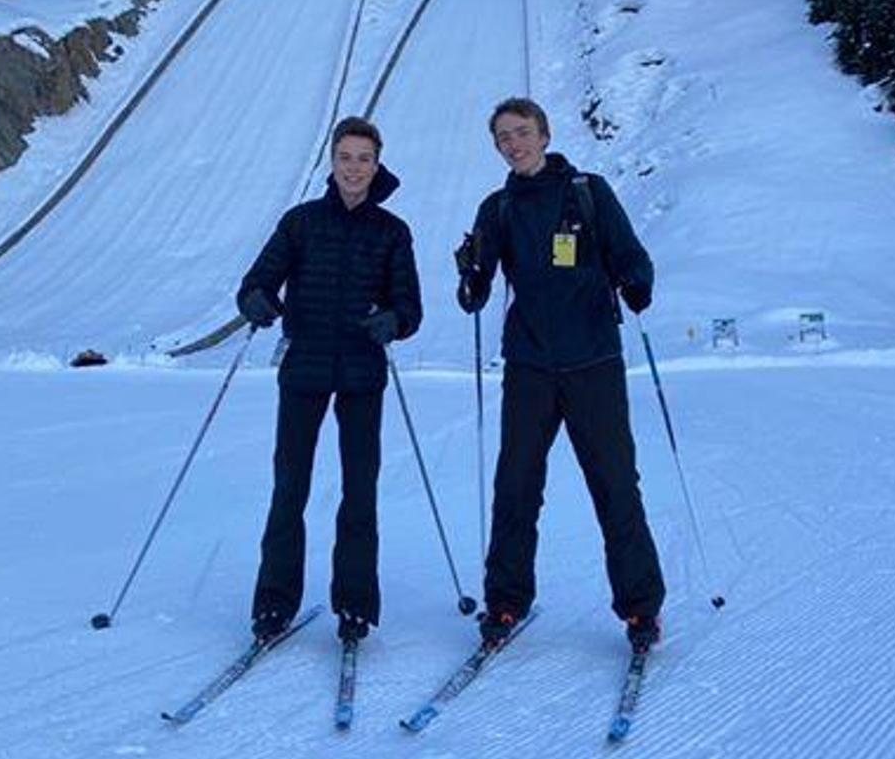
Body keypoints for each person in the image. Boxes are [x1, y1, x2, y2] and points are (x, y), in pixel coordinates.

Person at [454, 97, 665, 654]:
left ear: (545, 135)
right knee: (516, 486)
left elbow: (628, 254)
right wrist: (471, 279)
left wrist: (636, 282)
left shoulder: (588, 193)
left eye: (522, 132)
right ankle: (506, 601)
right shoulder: (496, 208)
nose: (514, 143)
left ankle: (641, 609)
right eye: (503, 136)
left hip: (593, 360)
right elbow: (481, 282)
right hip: (529, 366)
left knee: (615, 484)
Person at [237, 116, 422, 645]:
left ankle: (356, 604)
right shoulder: (301, 223)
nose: (354, 168)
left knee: (359, 491)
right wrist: (256, 300)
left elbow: (410, 305)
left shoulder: (392, 231)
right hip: (305, 369)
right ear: (332, 160)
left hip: (363, 372)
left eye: (364, 158)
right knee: (289, 487)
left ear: (376, 163)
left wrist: (394, 320)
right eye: (346, 157)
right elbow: (258, 279)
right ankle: (274, 604)